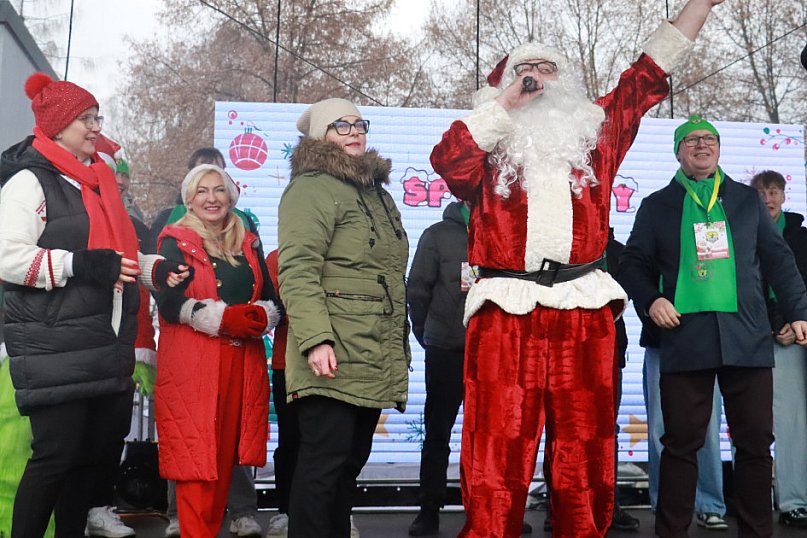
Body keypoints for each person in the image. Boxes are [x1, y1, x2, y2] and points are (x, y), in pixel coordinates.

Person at [429, 1, 723, 536]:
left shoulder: (597, 135)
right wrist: (508, 104)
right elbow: (446, 160)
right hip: (506, 309)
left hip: (582, 309)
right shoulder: (488, 145)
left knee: (585, 449)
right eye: (524, 71)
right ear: (503, 84)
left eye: (548, 70)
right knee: (496, 447)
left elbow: (647, 76)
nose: (537, 79)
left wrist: (698, 6)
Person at [0, 72, 188, 538]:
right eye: (84, 118)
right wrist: (80, 266)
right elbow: (8, 256)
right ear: (57, 125)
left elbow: (113, 256)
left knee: (92, 464)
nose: (94, 126)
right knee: (56, 459)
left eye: (96, 116)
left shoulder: (100, 179)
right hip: (56, 344)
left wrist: (153, 269)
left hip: (107, 343)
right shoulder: (29, 182)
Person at [619, 115, 807, 537]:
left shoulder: (744, 199)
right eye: (692, 140)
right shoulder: (657, 205)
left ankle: (757, 531)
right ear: (678, 151)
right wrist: (652, 300)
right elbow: (632, 263)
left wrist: (799, 311)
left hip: (747, 335)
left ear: (719, 149)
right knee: (681, 444)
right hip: (685, 336)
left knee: (756, 442)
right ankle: (671, 531)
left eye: (709, 139)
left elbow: (778, 259)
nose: (702, 145)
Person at [278, 98, 410, 538]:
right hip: (332, 351)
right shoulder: (312, 187)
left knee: (346, 468)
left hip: (371, 349)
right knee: (322, 469)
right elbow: (297, 269)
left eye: (359, 124)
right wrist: (316, 339)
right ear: (320, 135)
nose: (355, 131)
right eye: (341, 125)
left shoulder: (375, 192)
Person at [153, 164, 281, 537]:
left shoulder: (249, 240)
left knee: (226, 459)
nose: (212, 198)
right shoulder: (173, 241)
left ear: (231, 196)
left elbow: (272, 301)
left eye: (219, 190)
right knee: (196, 461)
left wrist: (260, 316)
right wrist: (220, 319)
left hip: (243, 362)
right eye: (202, 191)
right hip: (193, 364)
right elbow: (167, 302)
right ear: (189, 199)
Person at [406, 200, 486, 536]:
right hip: (446, 350)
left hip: (493, 354)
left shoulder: (503, 229)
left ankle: (489, 509)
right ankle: (428, 509)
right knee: (437, 432)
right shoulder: (437, 235)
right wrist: (428, 334)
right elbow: (417, 290)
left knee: (489, 437)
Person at [750, 170, 807, 528]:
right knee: (750, 426)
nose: (768, 198)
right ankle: (745, 503)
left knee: (791, 423)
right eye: (761, 192)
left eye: (774, 191)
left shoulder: (801, 237)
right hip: (750, 335)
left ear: (784, 196)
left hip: (792, 336)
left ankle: (793, 501)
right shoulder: (741, 231)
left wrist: (794, 322)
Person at [640, 311, 728, 530]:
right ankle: (666, 506)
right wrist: (652, 311)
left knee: (708, 428)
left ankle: (710, 505)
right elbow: (637, 283)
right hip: (663, 338)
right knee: (660, 428)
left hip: (707, 341)